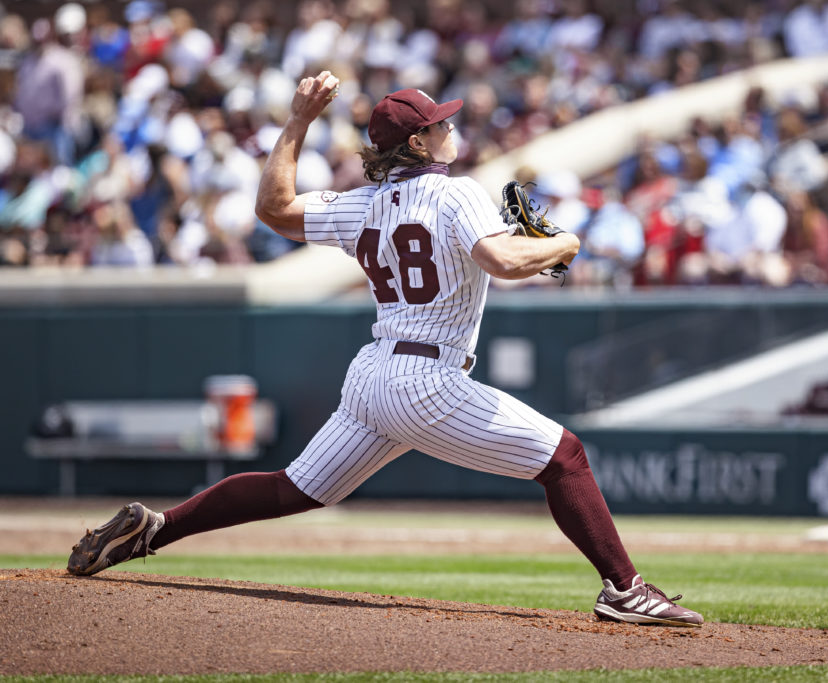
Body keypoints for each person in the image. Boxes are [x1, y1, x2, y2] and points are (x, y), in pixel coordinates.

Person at [66, 74, 703, 628]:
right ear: (419, 144)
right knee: (565, 458)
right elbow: (504, 260)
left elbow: (274, 209)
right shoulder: (456, 192)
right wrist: (560, 243)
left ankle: (159, 529)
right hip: (427, 380)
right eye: (439, 123)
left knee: (296, 489)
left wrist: (297, 121)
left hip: (373, 375)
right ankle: (625, 588)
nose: (450, 128)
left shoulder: (362, 205)